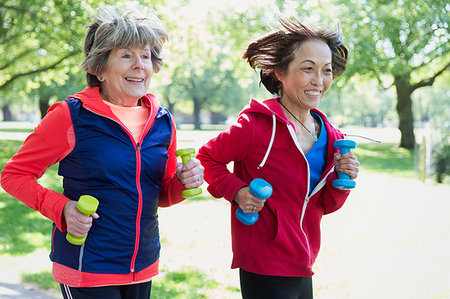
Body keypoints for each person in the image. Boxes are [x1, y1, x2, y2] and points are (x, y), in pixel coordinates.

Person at [0, 6, 204, 299]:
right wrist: (62, 209)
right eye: (126, 55)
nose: (139, 65)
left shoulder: (162, 121)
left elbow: (160, 194)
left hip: (142, 265)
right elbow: (14, 175)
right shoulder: (71, 115)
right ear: (98, 68)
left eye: (145, 55)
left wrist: (185, 182)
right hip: (87, 267)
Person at [197, 17, 359, 299]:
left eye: (326, 71)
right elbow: (207, 158)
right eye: (308, 69)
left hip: (303, 259)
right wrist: (238, 192)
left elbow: (324, 205)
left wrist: (341, 177)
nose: (318, 81)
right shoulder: (255, 127)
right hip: (264, 261)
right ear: (280, 73)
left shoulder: (332, 136)